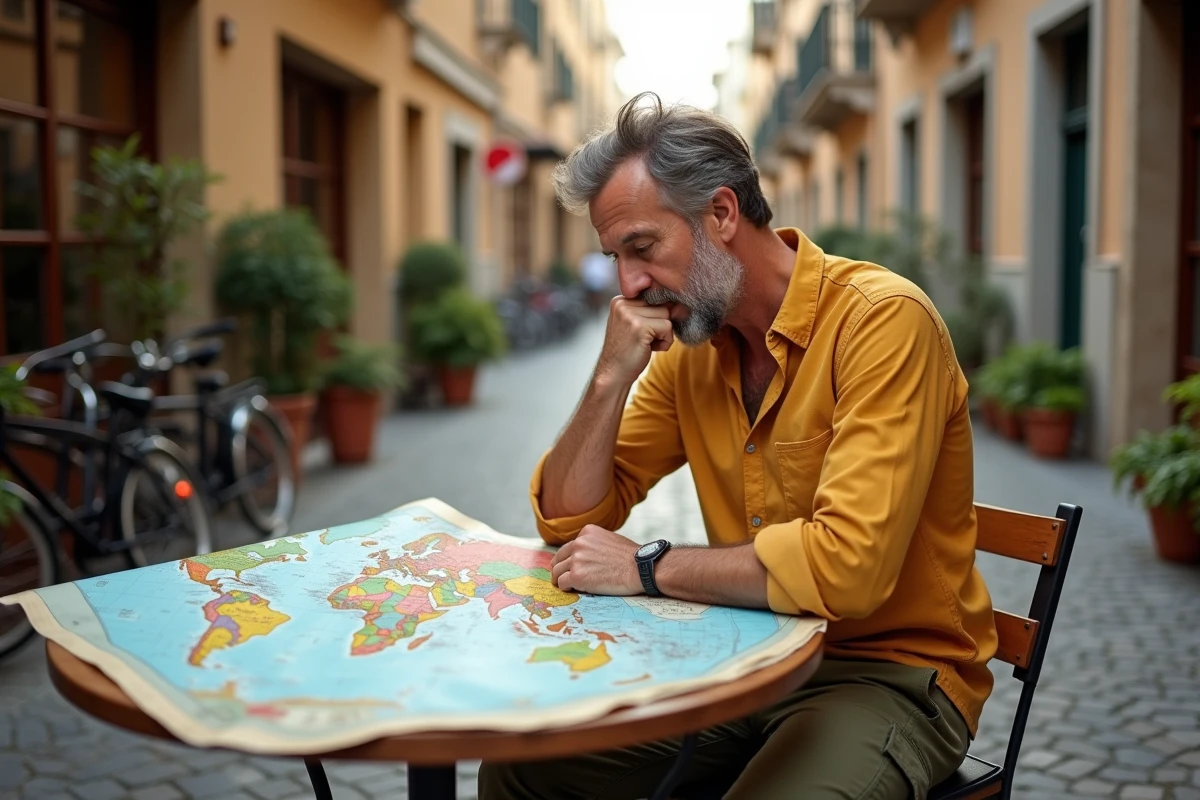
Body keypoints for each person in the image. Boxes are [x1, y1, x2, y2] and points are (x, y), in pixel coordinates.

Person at [478, 93, 998, 800]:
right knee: (521, 771)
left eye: (642, 248)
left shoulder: (882, 322)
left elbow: (848, 571)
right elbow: (568, 521)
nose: (628, 284)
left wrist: (649, 566)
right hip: (750, 658)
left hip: (890, 676)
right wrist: (608, 379)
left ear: (721, 214)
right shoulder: (693, 347)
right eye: (614, 256)